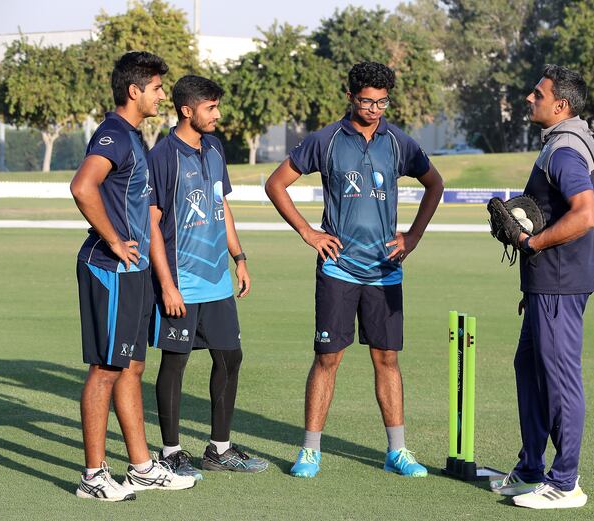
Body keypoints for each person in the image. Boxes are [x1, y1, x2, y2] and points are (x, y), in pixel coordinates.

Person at [265, 62, 444, 478]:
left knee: (387, 359)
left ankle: (397, 451)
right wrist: (308, 232)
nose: (375, 109)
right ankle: (310, 451)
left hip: (386, 272)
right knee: (328, 359)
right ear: (350, 97)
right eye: (367, 101)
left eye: (383, 101)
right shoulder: (325, 140)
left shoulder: (398, 142)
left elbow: (435, 183)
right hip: (338, 269)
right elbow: (276, 183)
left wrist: (413, 237)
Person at [71, 51, 196, 502]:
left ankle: (142, 467)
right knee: (106, 369)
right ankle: (92, 476)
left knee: (131, 366)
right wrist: (113, 240)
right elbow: (82, 187)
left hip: (136, 271)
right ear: (135, 91)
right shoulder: (113, 135)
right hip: (110, 269)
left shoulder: (134, 136)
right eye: (159, 87)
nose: (163, 93)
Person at [489, 64, 594, 509]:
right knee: (529, 369)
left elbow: (584, 214)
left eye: (537, 94)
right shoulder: (557, 145)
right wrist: (531, 285)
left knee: (559, 380)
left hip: (559, 283)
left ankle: (565, 482)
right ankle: (532, 468)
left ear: (561, 105)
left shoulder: (565, 152)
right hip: (546, 285)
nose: (528, 98)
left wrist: (532, 242)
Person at [147, 75, 268, 477]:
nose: (218, 114)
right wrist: (166, 285)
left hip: (217, 277)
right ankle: (169, 452)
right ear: (187, 110)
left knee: (230, 358)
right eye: (210, 107)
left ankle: (219, 449)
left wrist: (239, 257)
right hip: (181, 280)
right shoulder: (163, 155)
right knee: (176, 362)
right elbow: (152, 223)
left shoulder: (215, 147)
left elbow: (222, 206)